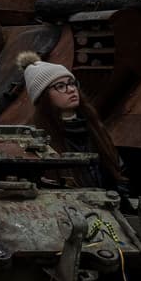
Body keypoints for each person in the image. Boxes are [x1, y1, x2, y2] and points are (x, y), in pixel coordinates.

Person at [18, 51, 128, 192]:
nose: (71, 90)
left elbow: (118, 171)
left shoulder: (92, 125)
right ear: (43, 96)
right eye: (60, 86)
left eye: (72, 83)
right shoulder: (38, 138)